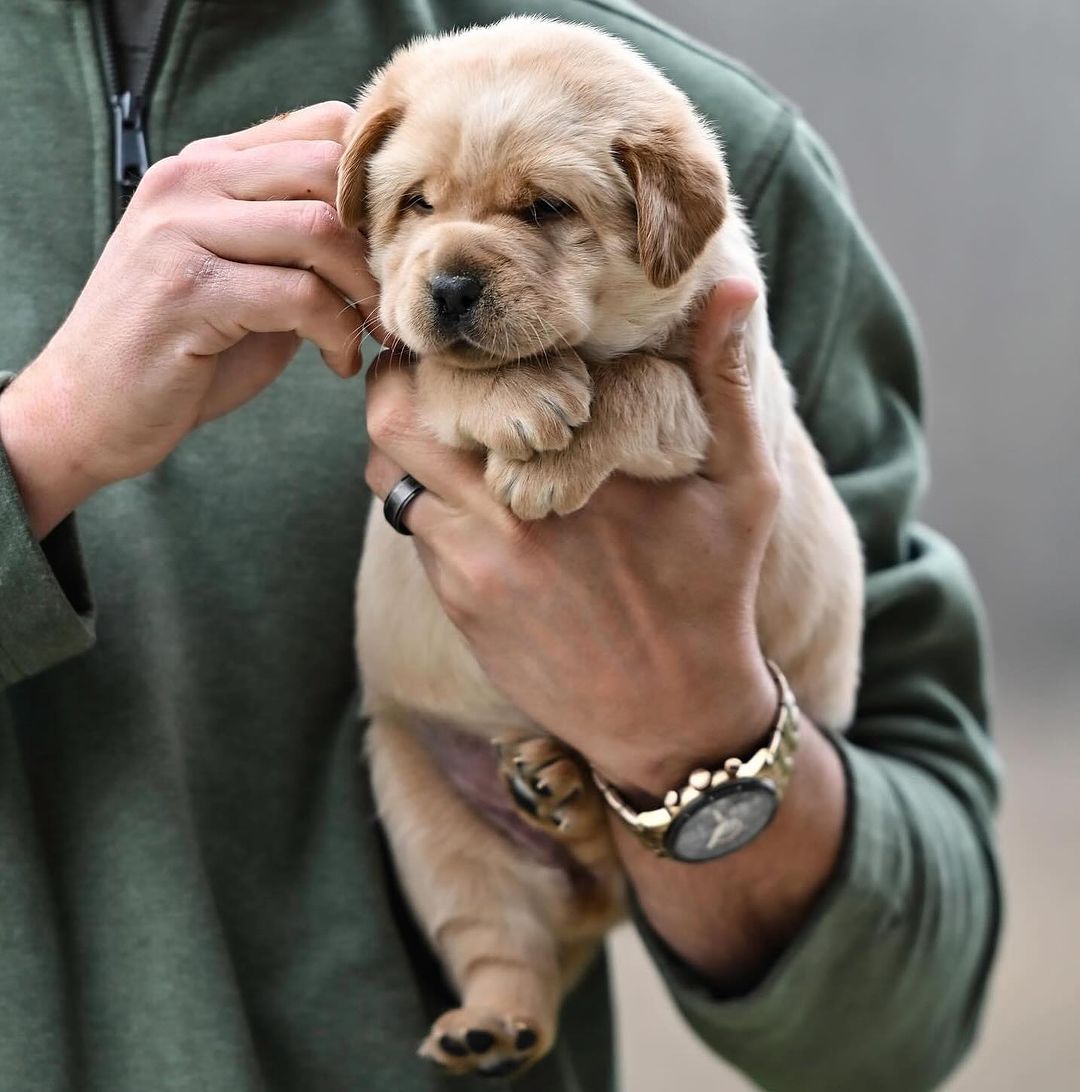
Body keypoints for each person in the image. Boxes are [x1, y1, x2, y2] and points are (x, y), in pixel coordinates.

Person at [0, 1, 1001, 1090]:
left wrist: (692, 732)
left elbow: (909, 1009)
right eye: (417, 205)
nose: (453, 260)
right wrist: (42, 442)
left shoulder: (710, 131)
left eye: (545, 211)